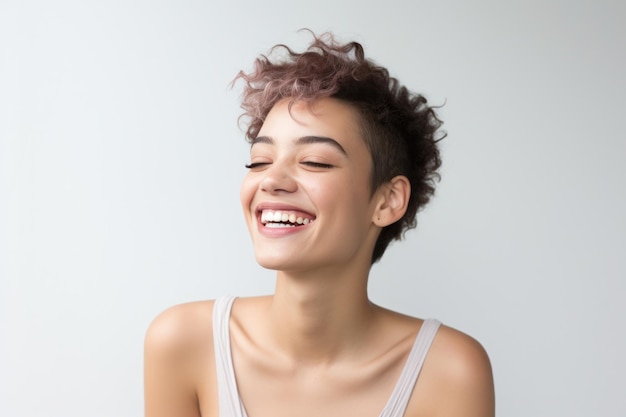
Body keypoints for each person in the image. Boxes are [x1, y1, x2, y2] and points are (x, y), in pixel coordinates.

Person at [144, 31, 495, 417]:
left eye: (315, 161)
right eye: (259, 161)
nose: (272, 180)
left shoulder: (449, 371)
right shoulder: (183, 343)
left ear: (388, 200)